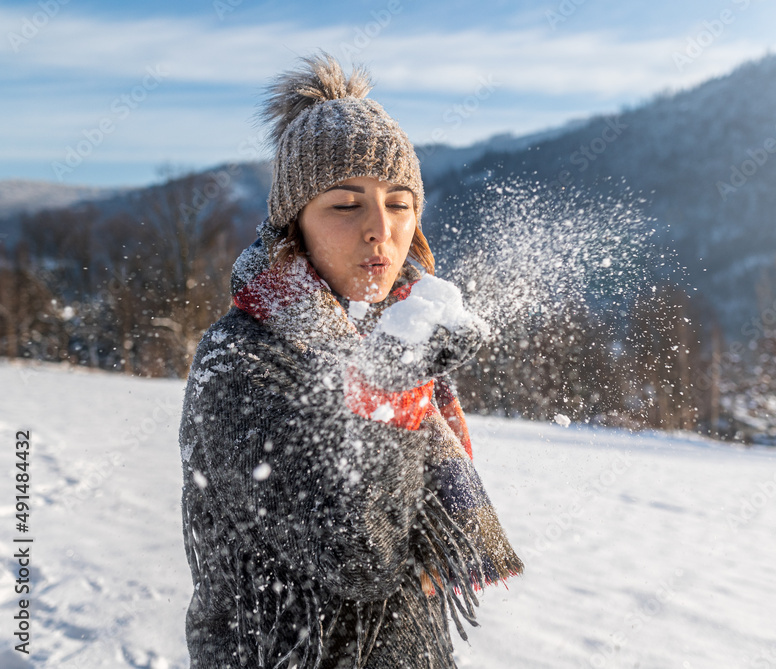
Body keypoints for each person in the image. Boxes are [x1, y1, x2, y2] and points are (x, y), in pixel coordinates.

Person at [178, 52, 522, 669]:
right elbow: (358, 557)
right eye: (345, 204)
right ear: (294, 224)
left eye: (398, 203)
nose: (378, 230)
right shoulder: (241, 360)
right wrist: (390, 386)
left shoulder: (384, 334)